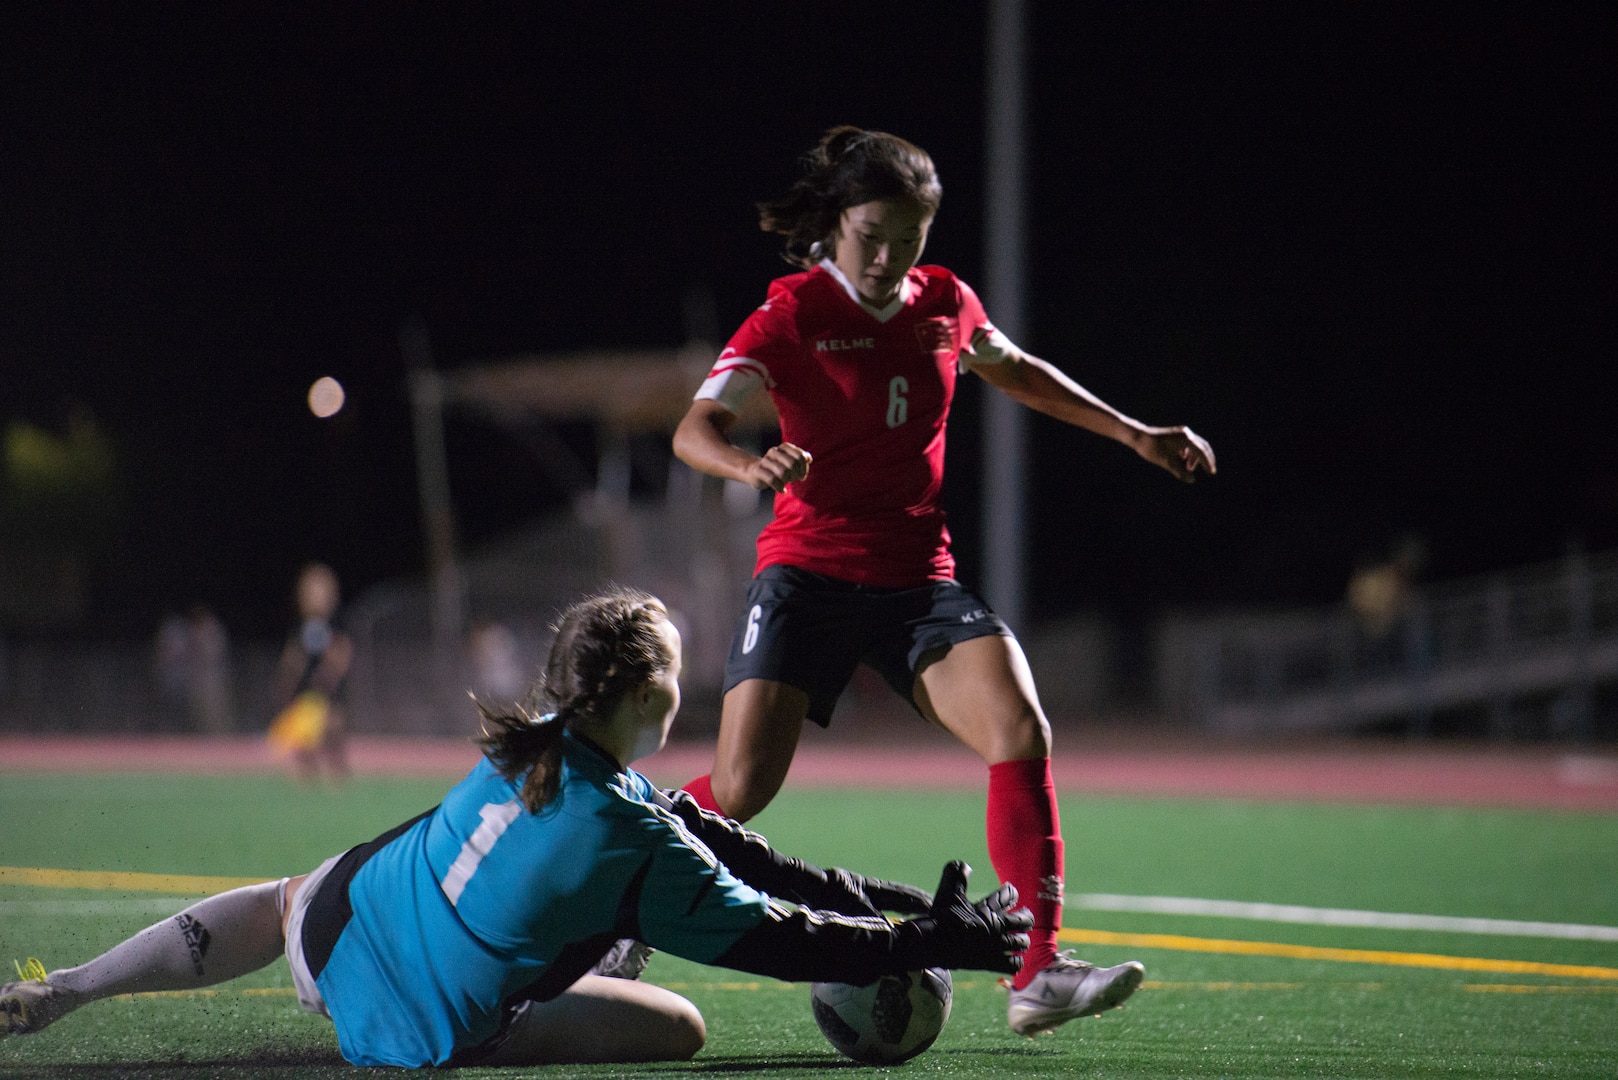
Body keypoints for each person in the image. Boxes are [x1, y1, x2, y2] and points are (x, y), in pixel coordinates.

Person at [671, 126, 1216, 1037]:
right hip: (806, 574)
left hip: (919, 579)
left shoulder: (945, 301)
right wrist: (746, 467)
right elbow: (697, 426)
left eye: (908, 237)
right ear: (836, 223)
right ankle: (625, 878)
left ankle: (1038, 969)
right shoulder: (792, 313)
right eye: (869, 234)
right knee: (740, 788)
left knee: (1019, 725)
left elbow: (1018, 373)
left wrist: (1135, 434)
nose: (887, 257)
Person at [1, 588, 1031, 1068]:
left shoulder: (533, 736)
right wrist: (931, 943)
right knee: (678, 1024)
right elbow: (776, 937)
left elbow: (743, 853)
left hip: (337, 927)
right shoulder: (629, 840)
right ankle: (503, 1020)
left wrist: (894, 907)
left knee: (294, 892)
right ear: (644, 696)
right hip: (411, 1032)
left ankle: (69, 990)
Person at [267, 563, 353, 781]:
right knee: (304, 742)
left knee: (333, 728)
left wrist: (330, 672)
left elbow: (344, 651)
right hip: (305, 690)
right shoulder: (301, 624)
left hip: (330, 690)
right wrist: (287, 679)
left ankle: (337, 776)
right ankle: (308, 784)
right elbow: (294, 654)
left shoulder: (336, 622)